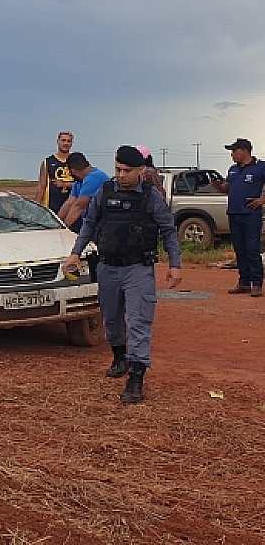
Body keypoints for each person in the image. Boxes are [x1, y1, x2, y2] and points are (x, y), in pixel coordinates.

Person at [62, 146, 183, 404]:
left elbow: (169, 231)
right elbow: (90, 224)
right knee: (112, 318)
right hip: (107, 267)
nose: (121, 175)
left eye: (127, 171)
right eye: (118, 169)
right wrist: (75, 253)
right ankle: (119, 357)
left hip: (138, 268)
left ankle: (136, 376)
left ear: (141, 170)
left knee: (139, 321)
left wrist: (175, 264)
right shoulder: (104, 193)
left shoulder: (151, 197)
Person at [212, 138, 265, 297]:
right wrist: (219, 186)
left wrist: (262, 199)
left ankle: (256, 283)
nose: (232, 155)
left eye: (234, 151)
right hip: (234, 214)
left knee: (252, 249)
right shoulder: (233, 169)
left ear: (244, 150)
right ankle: (244, 282)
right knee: (240, 250)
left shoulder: (261, 167)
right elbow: (228, 188)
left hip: (251, 215)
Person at [57, 152, 109, 232]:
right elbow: (69, 203)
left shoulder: (94, 178)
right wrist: (57, 224)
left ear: (73, 170)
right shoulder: (79, 181)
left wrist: (64, 230)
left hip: (101, 226)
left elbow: (79, 206)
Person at [35, 131, 75, 215]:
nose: (66, 143)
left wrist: (65, 184)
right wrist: (36, 207)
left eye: (68, 141)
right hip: (52, 206)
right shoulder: (48, 162)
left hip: (72, 206)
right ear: (58, 142)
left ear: (72, 143)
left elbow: (84, 184)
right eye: (63, 140)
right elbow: (41, 186)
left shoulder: (76, 161)